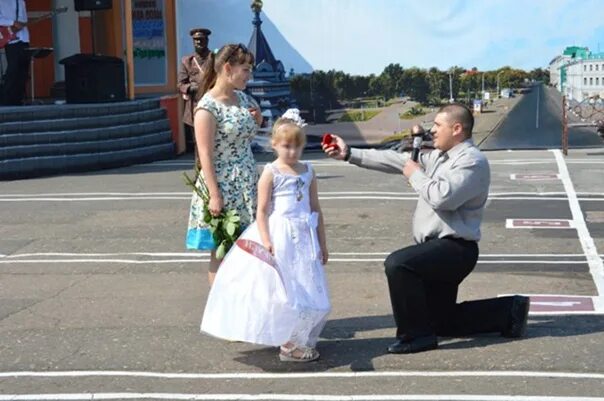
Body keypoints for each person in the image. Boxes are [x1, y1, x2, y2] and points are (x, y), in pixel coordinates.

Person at [323, 103, 530, 354]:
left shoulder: (472, 162)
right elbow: (398, 160)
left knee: (399, 264)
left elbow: (443, 197)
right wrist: (349, 153)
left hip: (455, 250)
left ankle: (415, 337)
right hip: (436, 248)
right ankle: (508, 311)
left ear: (456, 129)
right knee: (441, 321)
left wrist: (415, 174)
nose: (432, 130)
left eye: (438, 126)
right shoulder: (440, 156)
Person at [201, 110, 331, 362]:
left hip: (304, 235)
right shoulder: (271, 172)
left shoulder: (308, 171)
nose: (292, 152)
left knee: (309, 289)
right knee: (284, 290)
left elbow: (315, 208)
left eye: (297, 147)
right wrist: (267, 239)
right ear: (274, 145)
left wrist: (322, 243)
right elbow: (261, 211)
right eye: (286, 146)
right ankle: (289, 344)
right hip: (279, 234)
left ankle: (296, 339)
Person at [186, 43, 262, 285]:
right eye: (246, 69)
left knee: (249, 249)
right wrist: (215, 195)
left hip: (247, 182)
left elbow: (245, 133)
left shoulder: (243, 98)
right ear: (227, 68)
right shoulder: (207, 108)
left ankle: (243, 307)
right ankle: (220, 311)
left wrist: (258, 120)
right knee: (222, 250)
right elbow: (205, 155)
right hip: (223, 184)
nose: (249, 75)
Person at [177, 28, 211, 154]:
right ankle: (199, 172)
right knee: (198, 143)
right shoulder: (187, 61)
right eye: (196, 40)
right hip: (194, 107)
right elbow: (180, 84)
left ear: (207, 41)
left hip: (212, 104)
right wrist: (192, 88)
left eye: (201, 40)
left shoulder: (214, 59)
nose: (198, 43)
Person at [0, 0, 30, 106]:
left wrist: (22, 23)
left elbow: (23, 18)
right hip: (11, 39)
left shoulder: (21, 1)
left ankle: (18, 99)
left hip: (24, 38)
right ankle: (6, 100)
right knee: (13, 69)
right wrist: (12, 23)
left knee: (23, 70)